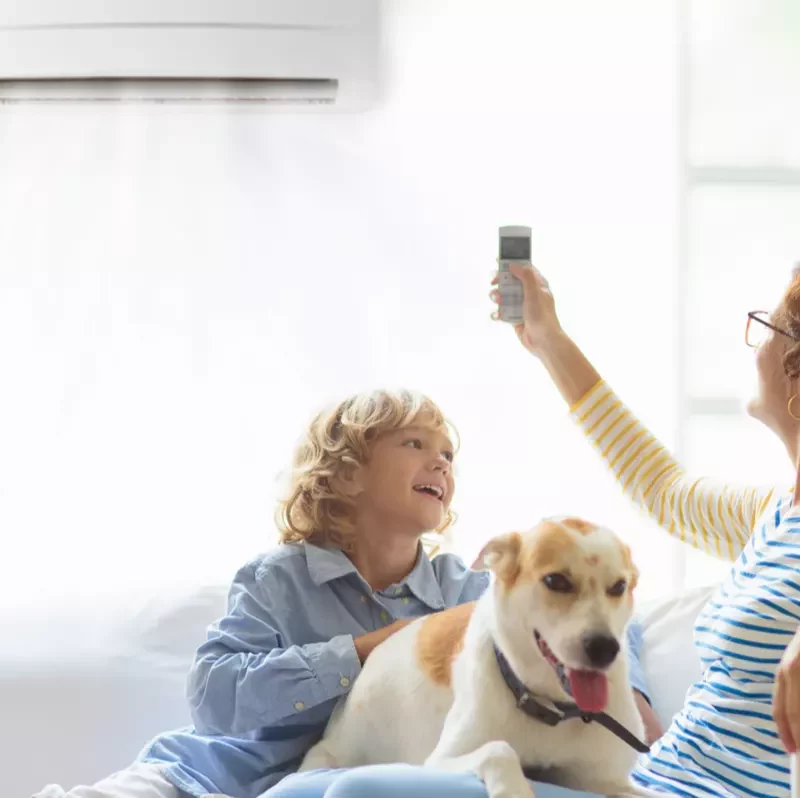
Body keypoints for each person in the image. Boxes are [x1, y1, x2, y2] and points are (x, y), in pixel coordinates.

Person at [37, 388, 657, 798]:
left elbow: (580, 614)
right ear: (346, 473)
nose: (441, 464)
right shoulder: (277, 579)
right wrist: (359, 652)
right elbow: (212, 697)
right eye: (415, 444)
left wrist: (629, 696)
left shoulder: (463, 589)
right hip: (204, 779)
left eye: (447, 454)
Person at [492, 261, 800, 797]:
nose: (753, 351)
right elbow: (663, 491)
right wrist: (548, 340)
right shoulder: (773, 513)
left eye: (766, 330)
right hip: (648, 783)